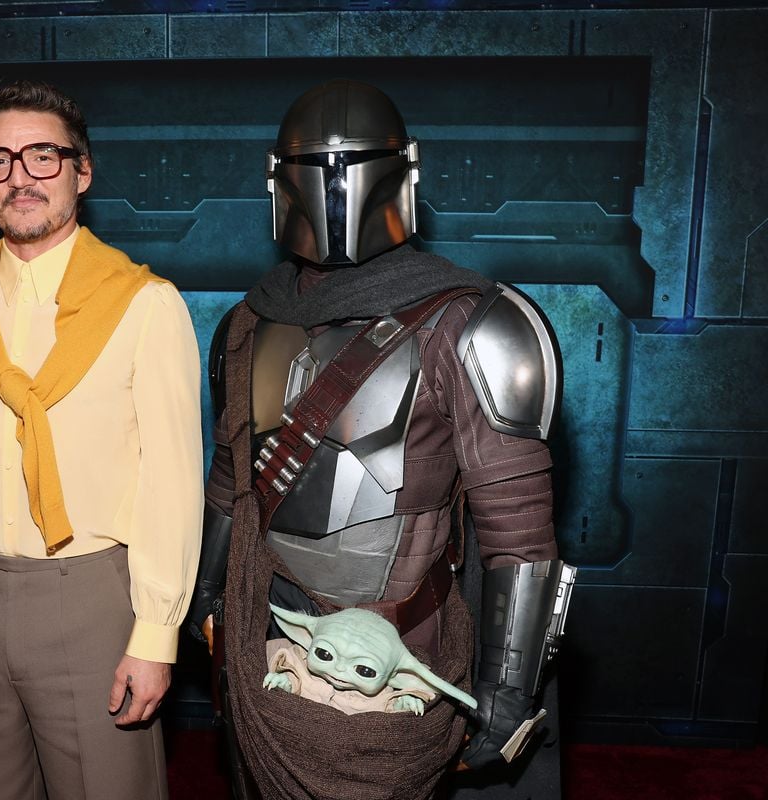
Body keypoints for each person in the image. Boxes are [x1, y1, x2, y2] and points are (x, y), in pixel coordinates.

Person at [185, 79, 576, 800]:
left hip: (403, 647)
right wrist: (208, 593)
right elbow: (230, 481)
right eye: (315, 172)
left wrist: (509, 683)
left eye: (354, 168)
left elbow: (517, 529)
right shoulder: (249, 324)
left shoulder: (473, 323)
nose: (336, 193)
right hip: (269, 626)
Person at [0, 79, 203, 800]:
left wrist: (155, 633)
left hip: (92, 600)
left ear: (82, 171)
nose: (20, 176)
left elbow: (172, 483)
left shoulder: (146, 308)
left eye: (43, 157)